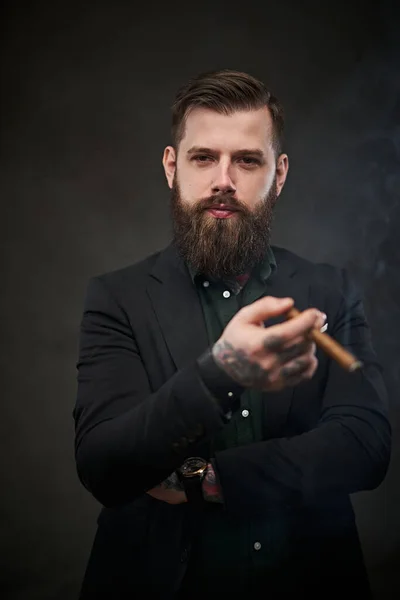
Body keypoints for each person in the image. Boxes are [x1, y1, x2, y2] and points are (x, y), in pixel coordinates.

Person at [73, 69, 391, 599]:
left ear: (279, 174)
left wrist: (207, 480)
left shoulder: (330, 291)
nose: (224, 179)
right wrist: (221, 372)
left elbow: (366, 445)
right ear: (172, 167)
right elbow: (104, 465)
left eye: (248, 160)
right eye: (203, 158)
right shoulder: (116, 298)